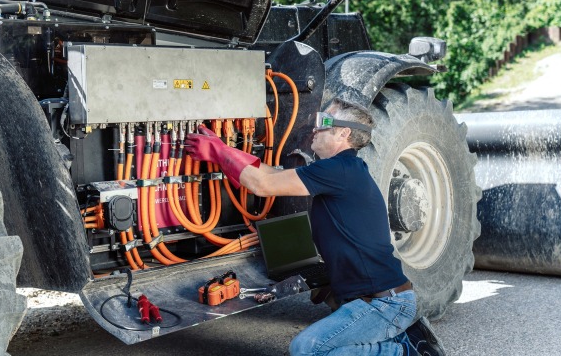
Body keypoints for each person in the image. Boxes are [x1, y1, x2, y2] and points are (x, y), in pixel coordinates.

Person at [185, 98, 446, 356]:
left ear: (344, 133)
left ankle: (406, 350)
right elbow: (270, 175)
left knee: (308, 349)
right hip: (378, 300)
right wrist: (224, 150)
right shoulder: (341, 169)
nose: (315, 128)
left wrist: (218, 152)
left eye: (324, 122)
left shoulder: (340, 170)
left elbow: (262, 185)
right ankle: (402, 340)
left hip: (385, 304)